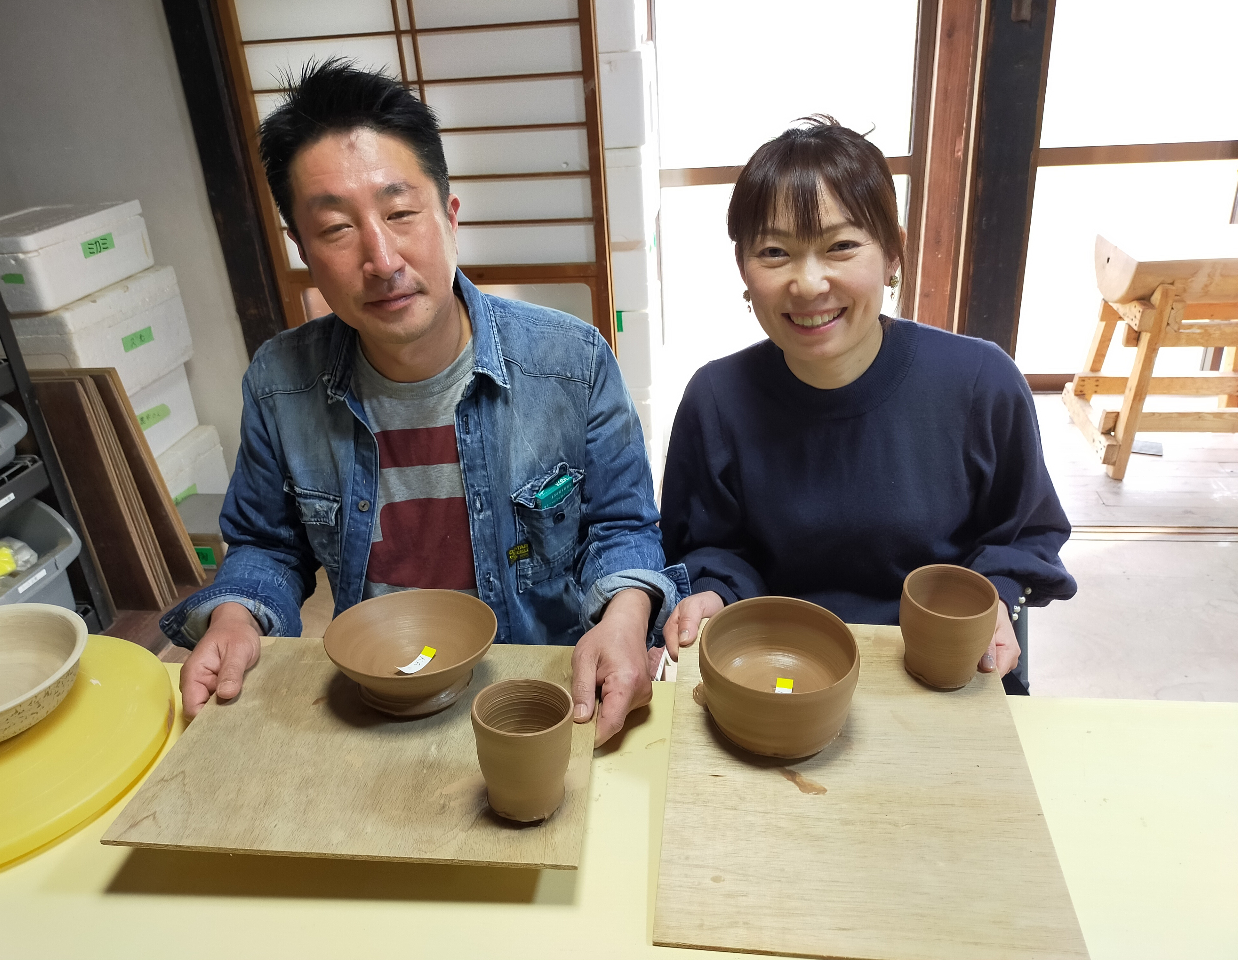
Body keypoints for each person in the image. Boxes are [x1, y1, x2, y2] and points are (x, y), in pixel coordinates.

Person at [161, 59, 686, 743]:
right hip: (376, 699)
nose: (381, 259)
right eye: (337, 229)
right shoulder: (280, 381)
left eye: (401, 212)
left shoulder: (570, 361)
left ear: (449, 214)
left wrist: (622, 619)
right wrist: (235, 616)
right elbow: (267, 543)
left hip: (542, 690)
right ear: (303, 250)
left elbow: (621, 527)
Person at [657, 116, 1075, 692]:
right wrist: (711, 592)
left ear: (893, 254)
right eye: (775, 252)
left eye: (841, 246)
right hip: (777, 673)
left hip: (941, 671)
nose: (807, 284)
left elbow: (1024, 533)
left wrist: (995, 597)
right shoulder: (717, 398)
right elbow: (709, 545)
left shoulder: (981, 382)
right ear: (744, 271)